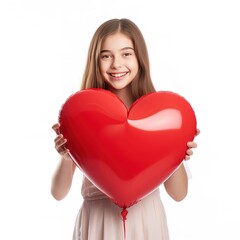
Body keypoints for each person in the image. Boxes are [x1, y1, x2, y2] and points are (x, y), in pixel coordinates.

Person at [51, 18, 200, 240]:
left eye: (126, 53)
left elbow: (179, 194)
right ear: (96, 60)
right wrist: (65, 156)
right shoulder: (82, 114)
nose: (116, 64)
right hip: (98, 222)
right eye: (106, 55)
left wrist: (178, 155)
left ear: (140, 58)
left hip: (147, 222)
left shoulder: (162, 116)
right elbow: (58, 193)